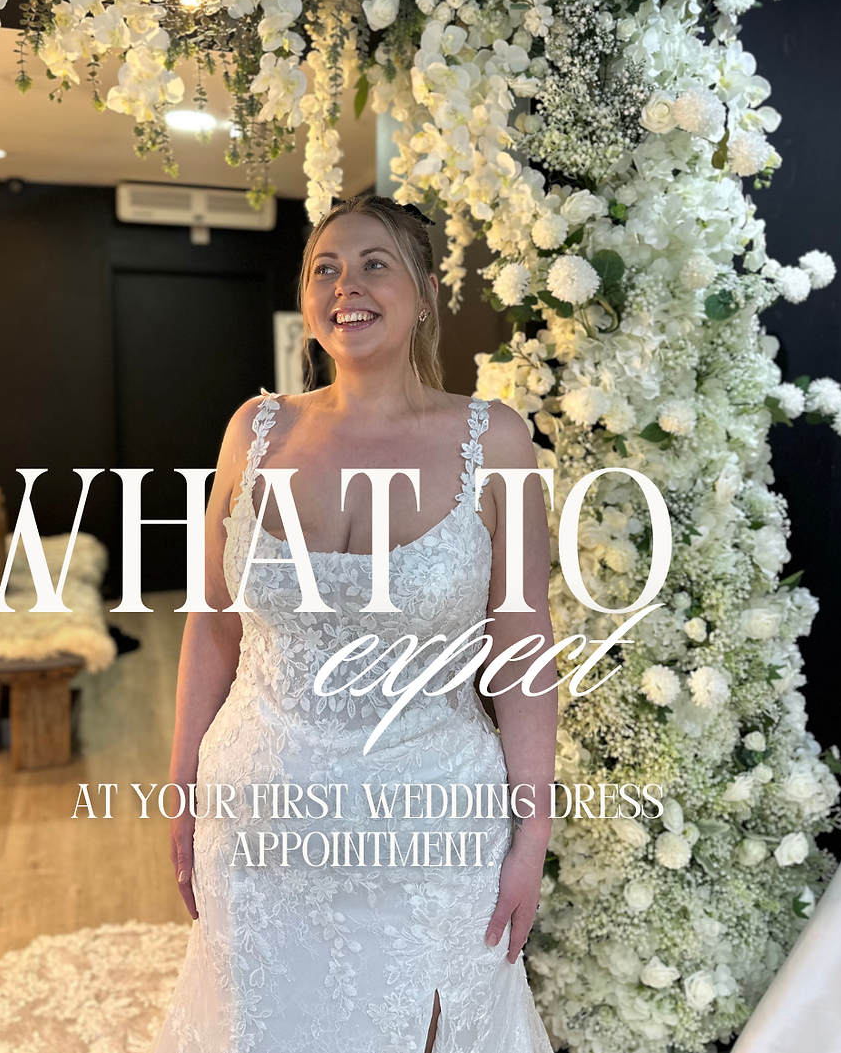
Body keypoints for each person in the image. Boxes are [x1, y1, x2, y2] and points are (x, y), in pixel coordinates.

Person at [152, 194, 558, 1052]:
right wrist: (182, 783)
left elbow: (522, 646)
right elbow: (213, 624)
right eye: (325, 269)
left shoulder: (497, 440)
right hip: (260, 813)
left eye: (375, 262)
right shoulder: (254, 430)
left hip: (435, 821)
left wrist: (532, 834)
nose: (348, 285)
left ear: (424, 290)